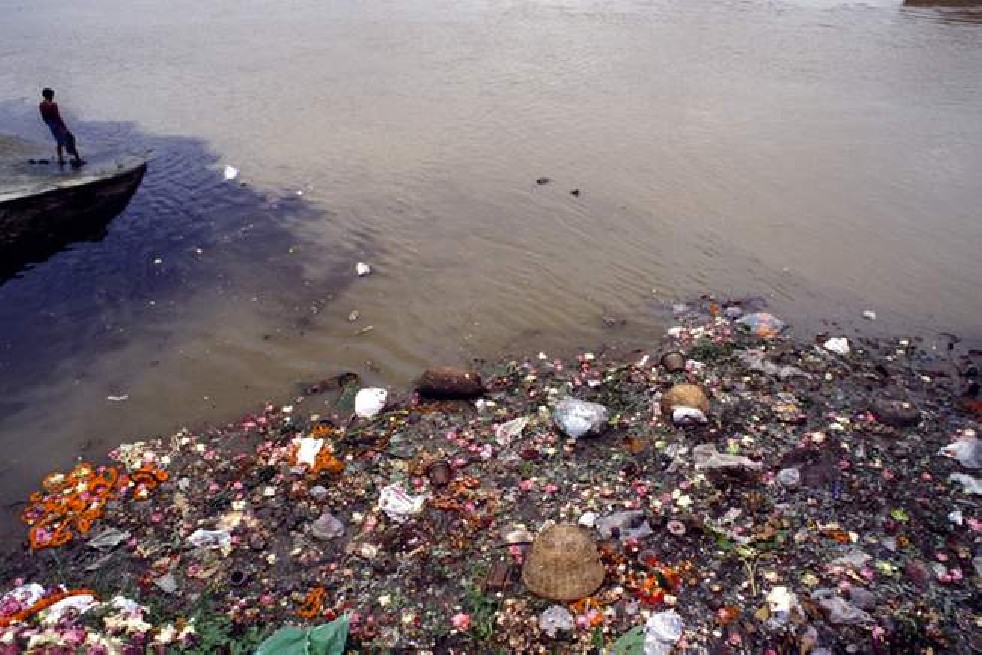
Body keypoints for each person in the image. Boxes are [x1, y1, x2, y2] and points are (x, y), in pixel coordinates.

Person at [39, 88, 85, 167]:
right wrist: (64, 127)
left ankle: (60, 159)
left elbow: (44, 118)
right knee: (70, 138)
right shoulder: (53, 105)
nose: (52, 96)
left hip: (51, 125)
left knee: (59, 141)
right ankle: (77, 159)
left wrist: (49, 124)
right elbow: (58, 117)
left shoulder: (42, 105)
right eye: (52, 95)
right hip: (57, 124)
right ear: (50, 95)